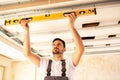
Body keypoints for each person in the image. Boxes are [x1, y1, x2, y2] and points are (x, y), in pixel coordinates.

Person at [19, 13, 84, 80]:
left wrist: (71, 26)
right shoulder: (44, 63)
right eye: (54, 44)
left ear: (64, 49)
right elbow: (27, 54)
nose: (55, 46)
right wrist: (26, 30)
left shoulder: (70, 63)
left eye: (59, 44)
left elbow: (80, 50)